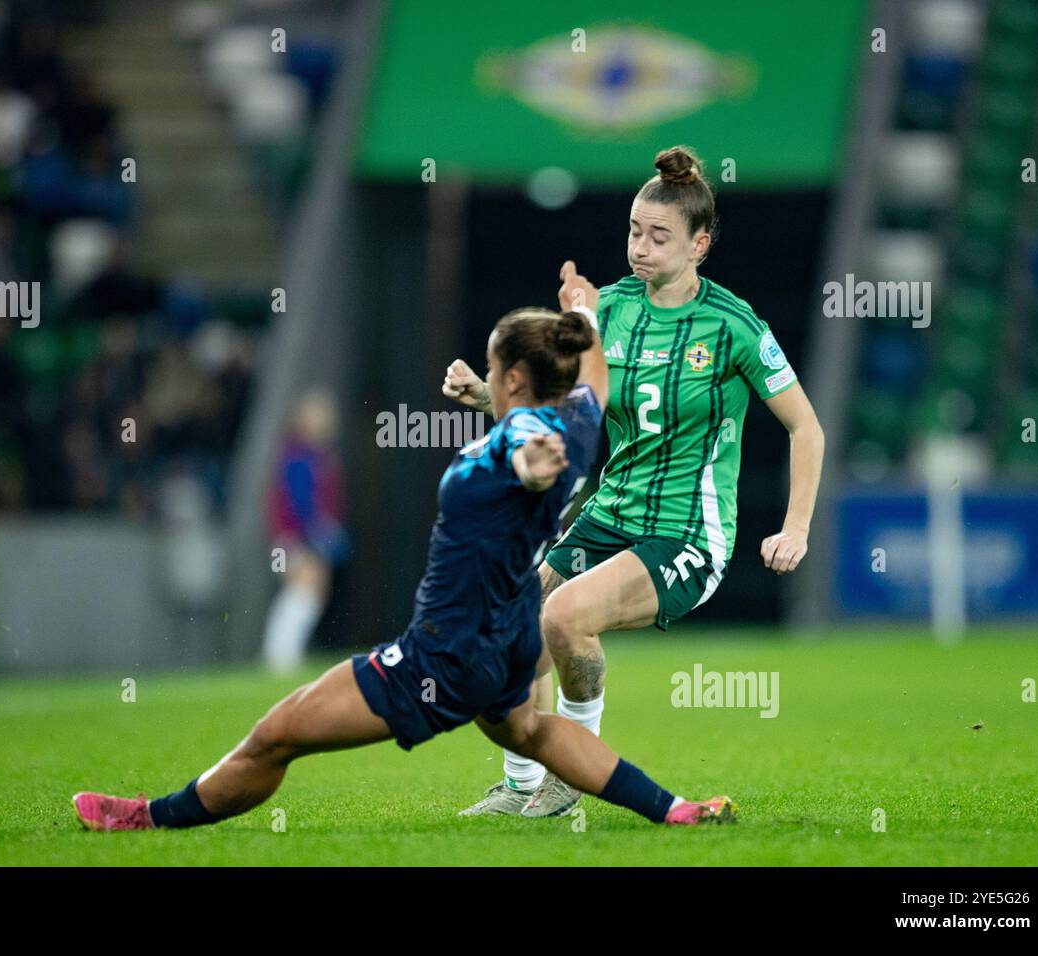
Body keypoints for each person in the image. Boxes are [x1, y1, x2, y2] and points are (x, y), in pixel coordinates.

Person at [73, 297, 736, 832]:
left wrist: (535, 465)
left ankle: (147, 819)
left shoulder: (524, 436)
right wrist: (585, 316)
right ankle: (674, 809)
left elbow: (527, 455)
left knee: (275, 736)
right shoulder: (579, 423)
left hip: (442, 657)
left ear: (510, 378)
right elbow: (593, 383)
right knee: (532, 729)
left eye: (492, 366)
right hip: (507, 643)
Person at [447, 146, 825, 817]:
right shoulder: (610, 310)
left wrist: (794, 527)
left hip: (687, 531)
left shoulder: (733, 325)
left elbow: (806, 428)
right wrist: (485, 395)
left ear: (699, 244)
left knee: (564, 617)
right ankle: (521, 784)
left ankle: (573, 780)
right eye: (633, 232)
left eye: (659, 237)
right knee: (502, 637)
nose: (640, 249)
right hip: (609, 512)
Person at [261, 389, 348, 673]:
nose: (323, 420)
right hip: (291, 536)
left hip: (302, 535)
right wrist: (314, 533)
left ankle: (283, 652)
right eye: (316, 414)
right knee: (303, 588)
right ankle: (279, 654)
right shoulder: (297, 455)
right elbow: (297, 502)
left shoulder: (321, 456)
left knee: (310, 591)